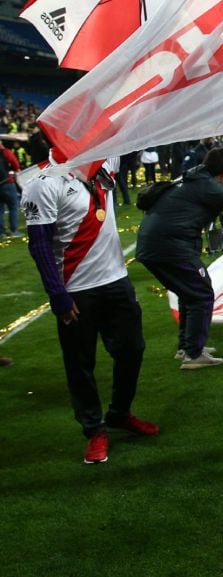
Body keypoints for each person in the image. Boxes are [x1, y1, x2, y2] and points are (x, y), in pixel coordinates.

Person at [22, 155, 159, 463]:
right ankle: (94, 429)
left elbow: (128, 132)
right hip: (76, 290)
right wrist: (57, 294)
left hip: (116, 281)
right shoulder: (43, 184)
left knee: (132, 350)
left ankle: (119, 414)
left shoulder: (103, 162)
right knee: (80, 364)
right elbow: (40, 244)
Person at [136, 147, 223, 369]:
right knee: (201, 293)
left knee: (188, 293)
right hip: (171, 245)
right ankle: (193, 354)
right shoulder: (207, 186)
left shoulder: (192, 176)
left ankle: (186, 346)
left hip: (154, 243)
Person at [1, 141, 21, 237]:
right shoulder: (5, 152)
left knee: (0, 209)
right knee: (13, 206)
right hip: (7, 182)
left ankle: (1, 232)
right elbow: (15, 163)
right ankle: (14, 230)